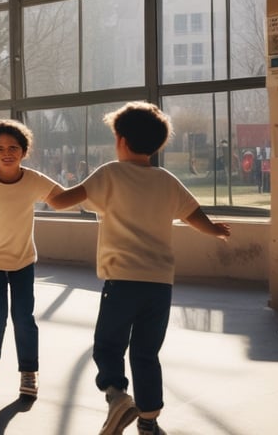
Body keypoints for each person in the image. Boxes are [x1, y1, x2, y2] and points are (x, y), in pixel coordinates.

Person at [49, 101, 230, 435]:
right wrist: (216, 229)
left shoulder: (111, 174)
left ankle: (116, 395)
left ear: (121, 140)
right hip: (160, 285)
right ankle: (148, 421)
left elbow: (59, 201)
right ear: (156, 144)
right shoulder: (167, 180)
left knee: (108, 345)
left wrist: (43, 186)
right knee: (147, 352)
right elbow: (194, 215)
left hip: (121, 282)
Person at [0, 119, 65, 400]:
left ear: (24, 150)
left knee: (23, 317)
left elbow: (61, 197)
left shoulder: (33, 179)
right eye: (0, 148)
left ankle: (29, 372)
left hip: (22, 260)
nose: (7, 153)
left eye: (13, 147)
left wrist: (97, 193)